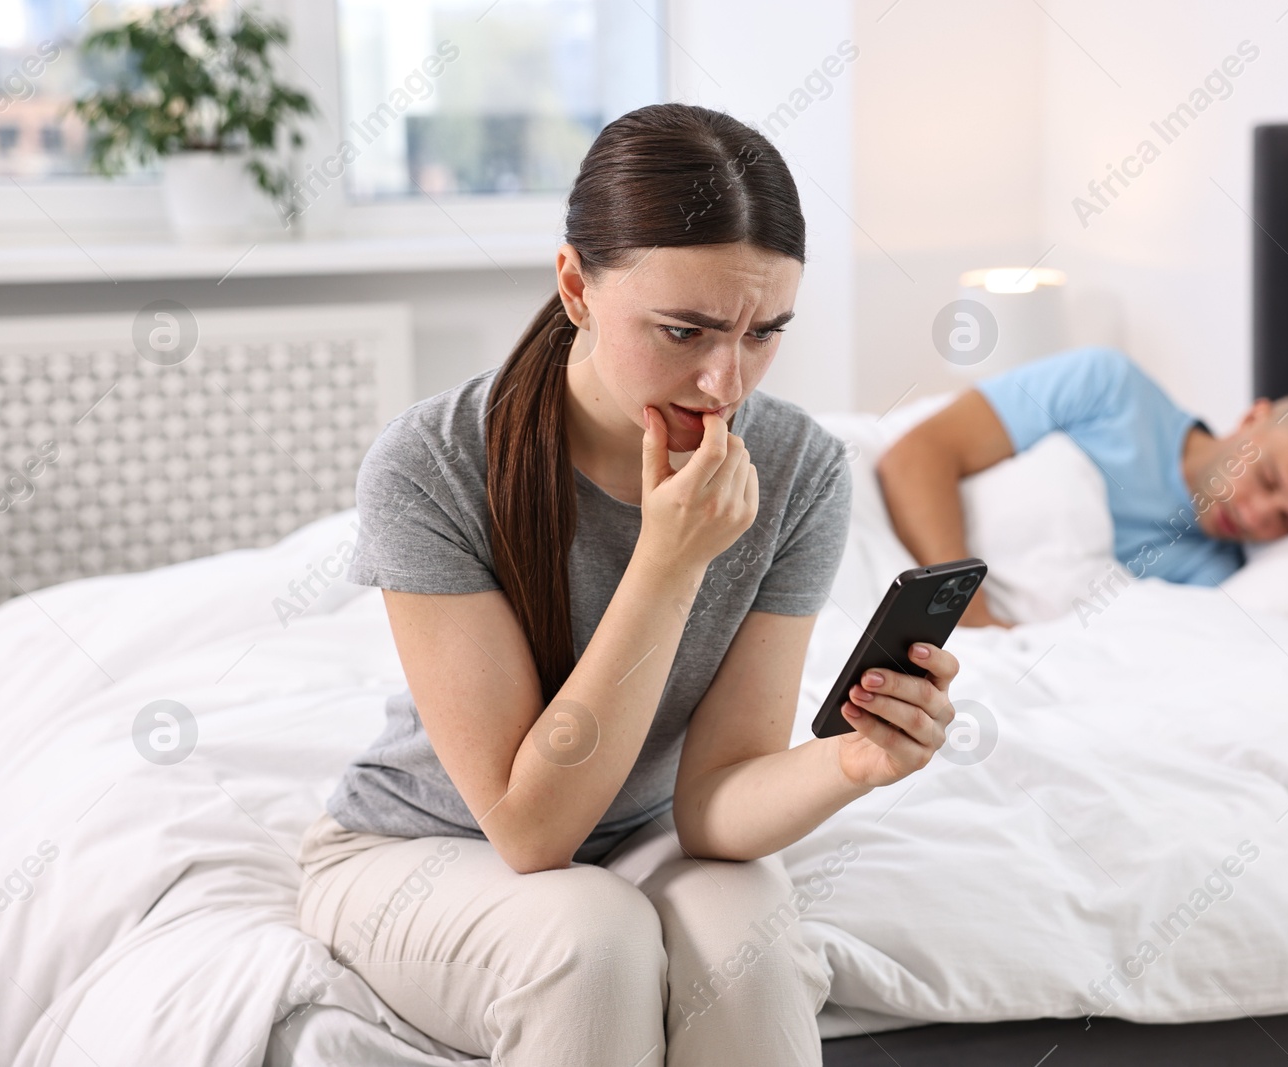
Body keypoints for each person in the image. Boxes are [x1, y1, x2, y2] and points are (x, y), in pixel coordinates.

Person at [292, 103, 962, 1067]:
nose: (725, 382)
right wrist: (670, 559)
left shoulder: (799, 467)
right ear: (576, 285)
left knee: (751, 944)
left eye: (766, 331)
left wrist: (854, 761)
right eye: (684, 329)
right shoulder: (429, 465)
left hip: (646, 835)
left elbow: (715, 804)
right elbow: (531, 832)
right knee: (589, 940)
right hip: (422, 847)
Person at [876, 346, 1288, 628]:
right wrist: (972, 620)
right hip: (883, 540)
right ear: (1252, 418)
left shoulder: (1212, 582)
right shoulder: (1110, 389)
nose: (1260, 517)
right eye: (1267, 478)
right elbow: (915, 457)